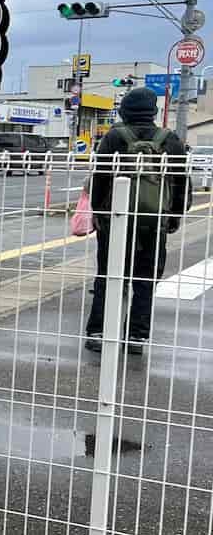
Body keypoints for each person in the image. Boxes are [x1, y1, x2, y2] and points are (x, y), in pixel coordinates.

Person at [84, 87, 188, 355]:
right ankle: (136, 338)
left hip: (116, 220)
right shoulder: (170, 140)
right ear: (153, 111)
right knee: (145, 279)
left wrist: (99, 213)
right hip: (154, 222)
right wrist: (174, 217)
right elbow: (180, 183)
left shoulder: (114, 137)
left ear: (124, 110)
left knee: (109, 275)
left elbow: (100, 179)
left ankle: (99, 333)